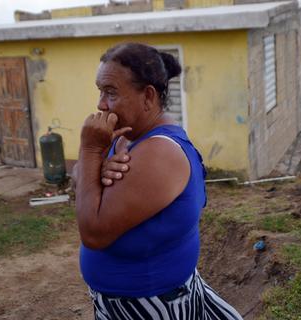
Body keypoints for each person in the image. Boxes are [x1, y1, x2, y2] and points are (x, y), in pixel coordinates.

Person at [75, 43, 243, 320]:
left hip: (151, 307)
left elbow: (93, 233)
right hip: (127, 304)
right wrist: (96, 167)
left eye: (111, 92)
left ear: (148, 97)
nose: (100, 104)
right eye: (100, 91)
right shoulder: (123, 135)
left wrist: (90, 152)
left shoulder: (159, 153)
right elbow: (79, 180)